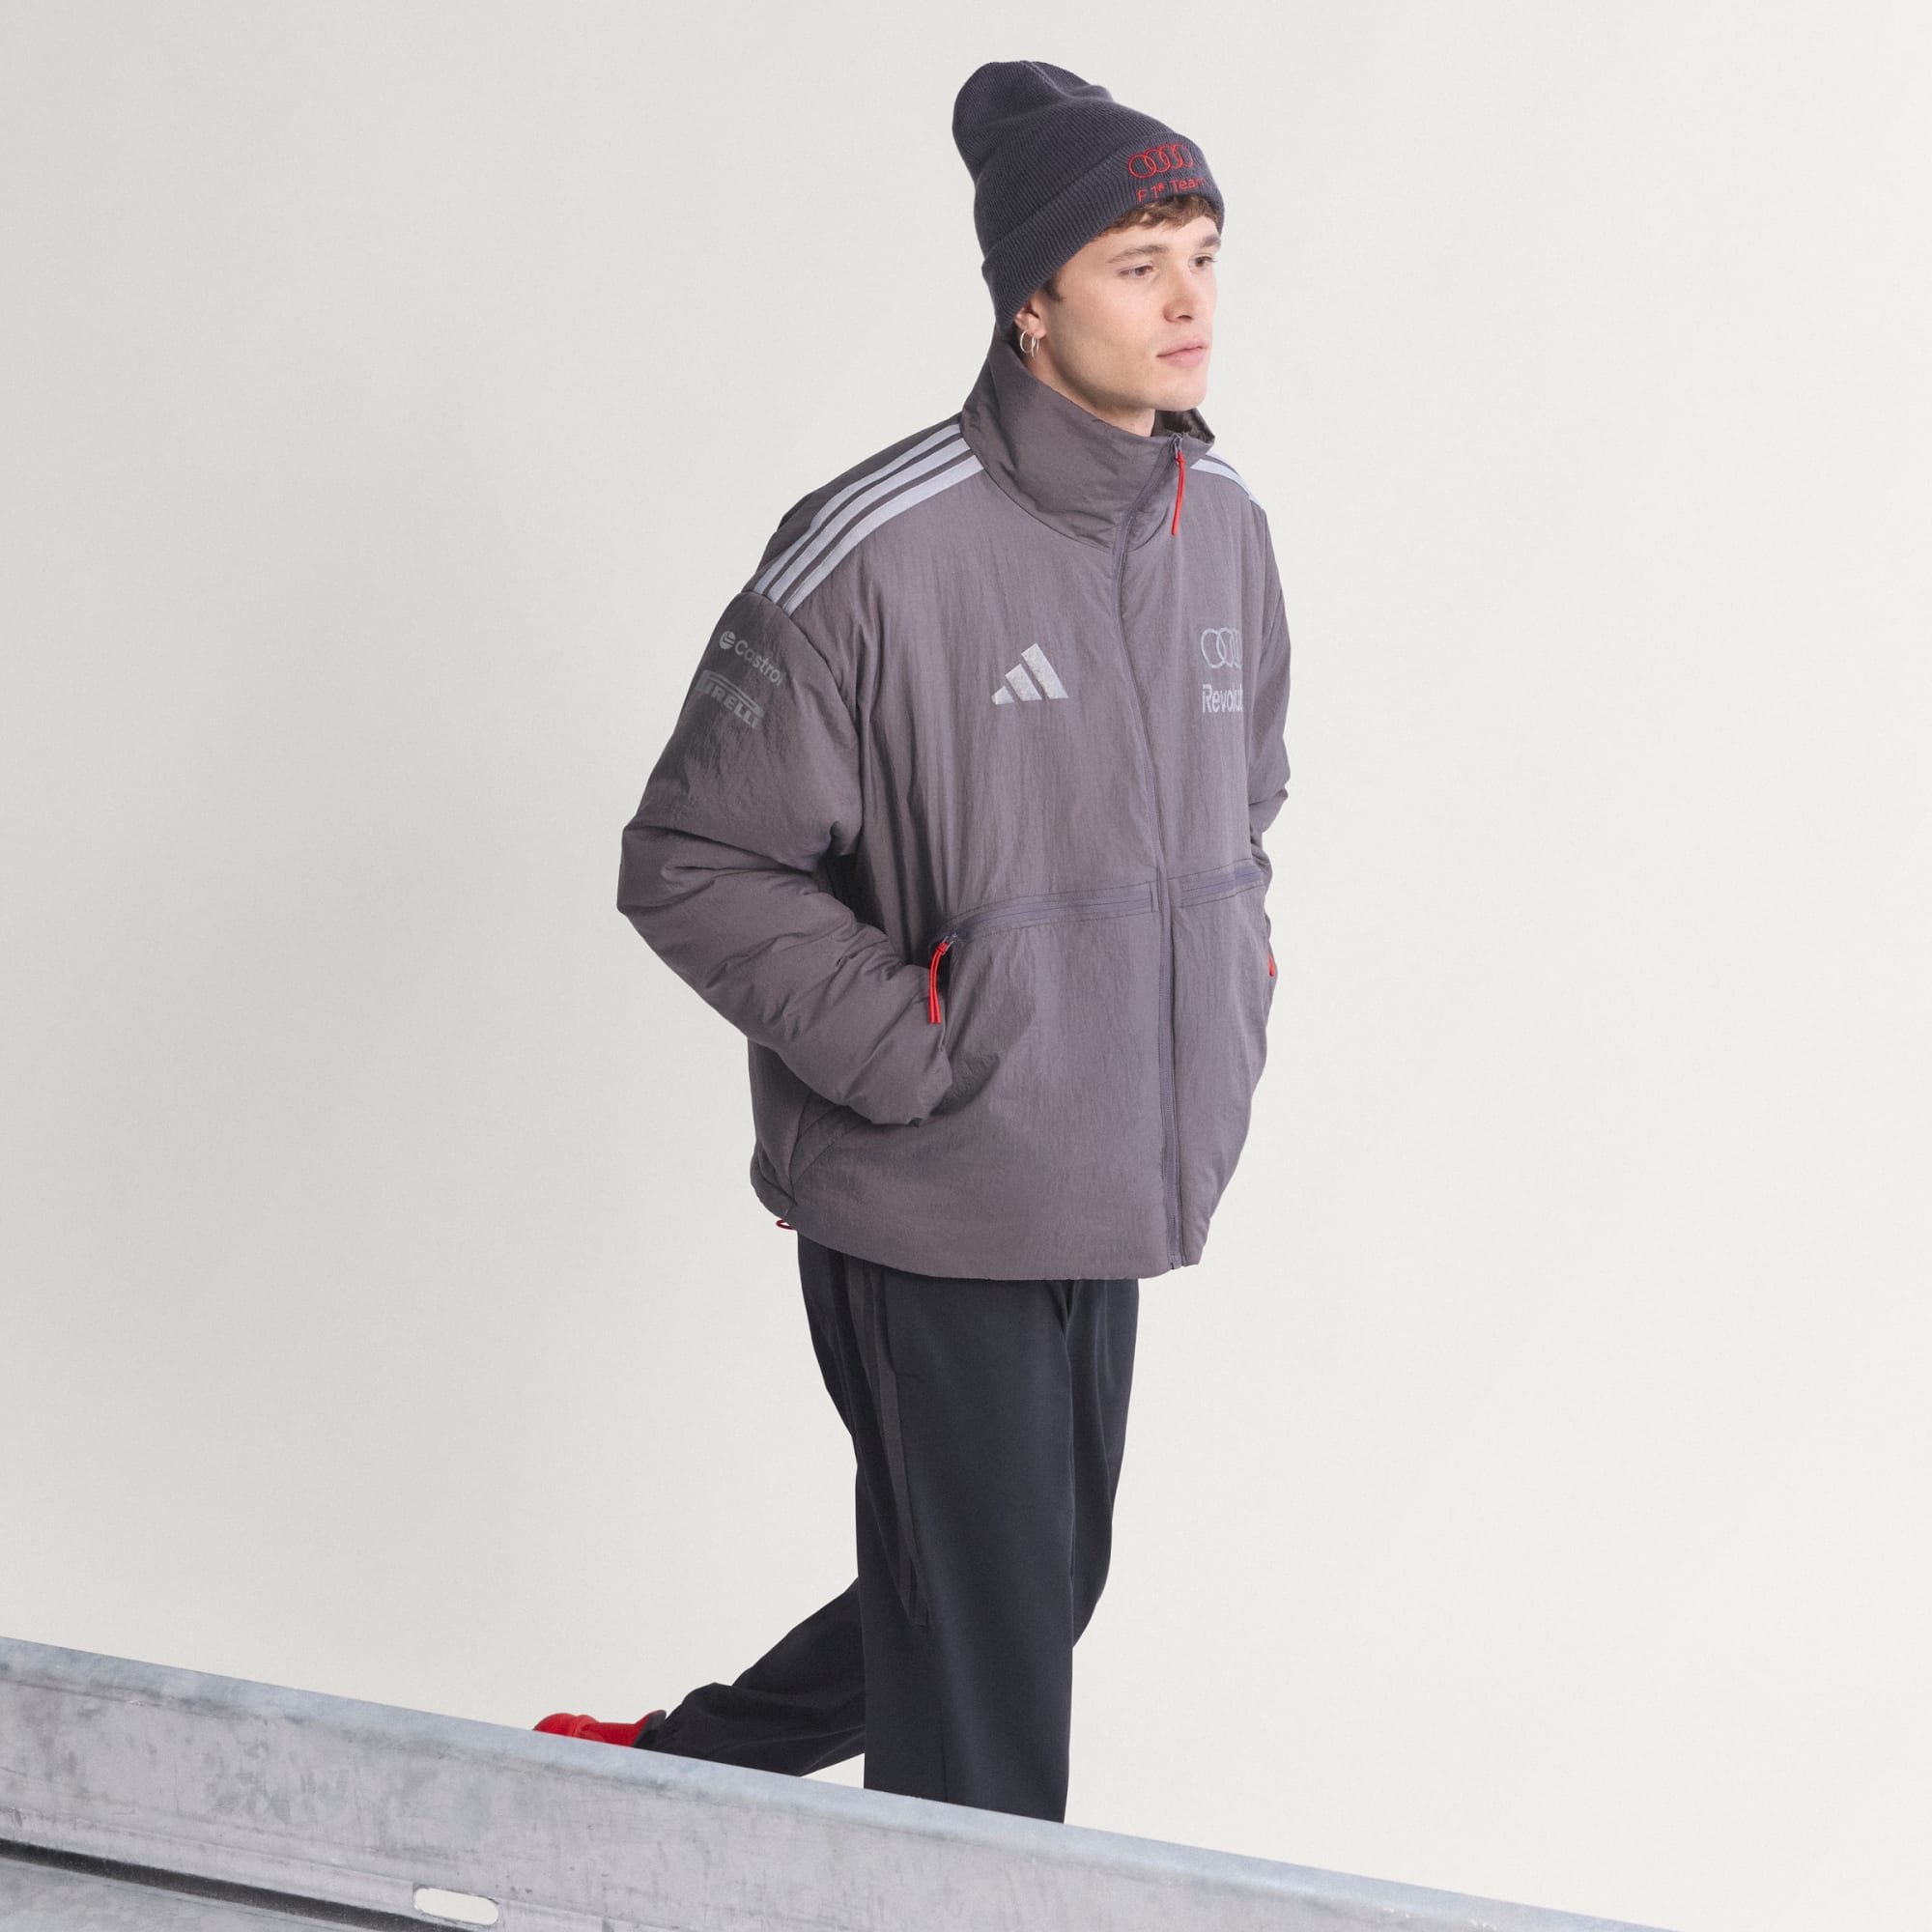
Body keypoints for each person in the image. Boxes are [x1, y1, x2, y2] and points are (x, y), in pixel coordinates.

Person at [538, 59, 1293, 1825]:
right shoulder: (878, 552)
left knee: (1032, 1592)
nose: (1187, 301)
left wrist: (1227, 993)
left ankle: (671, 1784)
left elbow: (1244, 809)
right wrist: (924, 1049)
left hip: (1111, 1168)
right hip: (934, 1184)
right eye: (1136, 264)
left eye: (1201, 255)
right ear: (1031, 303)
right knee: (990, 1668)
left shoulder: (1228, 537)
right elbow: (693, 859)